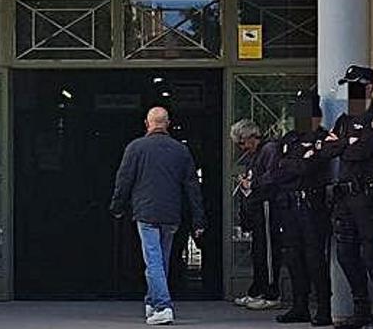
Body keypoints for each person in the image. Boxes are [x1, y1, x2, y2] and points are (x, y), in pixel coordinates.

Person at [109, 107, 206, 326]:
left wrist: (117, 206)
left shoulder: (135, 148)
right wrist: (198, 218)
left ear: (147, 123)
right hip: (172, 213)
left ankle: (163, 306)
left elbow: (124, 181)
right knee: (161, 259)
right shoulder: (181, 151)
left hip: (145, 211)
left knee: (153, 260)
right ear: (168, 123)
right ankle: (152, 301)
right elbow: (192, 187)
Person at [319, 66, 373, 329]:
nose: (350, 92)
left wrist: (345, 145)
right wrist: (346, 143)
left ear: (369, 87)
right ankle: (361, 309)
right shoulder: (344, 120)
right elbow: (327, 149)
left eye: (355, 85)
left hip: (368, 196)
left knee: (372, 253)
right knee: (346, 254)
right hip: (345, 197)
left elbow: (361, 151)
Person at [269, 91, 333, 326]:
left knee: (315, 257)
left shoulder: (322, 138)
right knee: (293, 256)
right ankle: (300, 305)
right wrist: (294, 165)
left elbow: (310, 167)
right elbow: (276, 171)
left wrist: (292, 165)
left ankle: (324, 308)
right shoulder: (289, 139)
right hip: (289, 204)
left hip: (312, 204)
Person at [230, 119, 283, 311]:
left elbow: (273, 176)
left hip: (268, 205)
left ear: (252, 137)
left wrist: (252, 184)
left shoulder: (269, 150)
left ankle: (271, 293)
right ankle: (257, 290)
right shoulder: (255, 155)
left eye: (242, 143)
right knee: (258, 250)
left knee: (268, 250)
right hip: (257, 207)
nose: (242, 147)